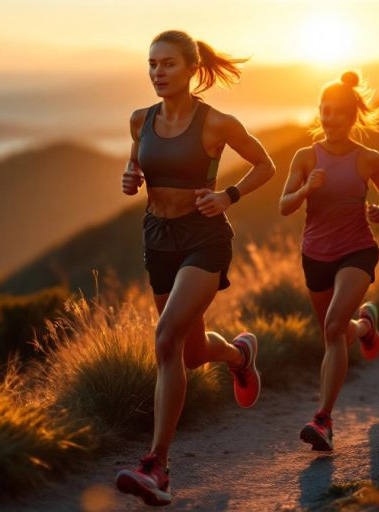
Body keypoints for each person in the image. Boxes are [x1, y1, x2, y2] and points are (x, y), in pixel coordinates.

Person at [113, 30, 276, 507]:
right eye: (151, 64)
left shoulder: (217, 123)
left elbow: (265, 164)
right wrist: (130, 178)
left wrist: (229, 195)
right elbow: (136, 168)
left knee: (165, 339)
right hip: (158, 239)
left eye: (167, 64)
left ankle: (157, 466)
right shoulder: (139, 119)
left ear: (190, 68)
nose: (157, 73)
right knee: (189, 351)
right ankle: (239, 357)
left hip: (204, 240)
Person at [279, 71, 379, 451]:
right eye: (324, 112)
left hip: (357, 250)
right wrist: (304, 188)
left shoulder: (368, 158)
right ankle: (365, 327)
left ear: (352, 117)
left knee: (331, 328)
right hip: (315, 255)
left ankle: (323, 419)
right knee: (337, 334)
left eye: (338, 114)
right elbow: (284, 206)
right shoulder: (304, 156)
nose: (329, 119)